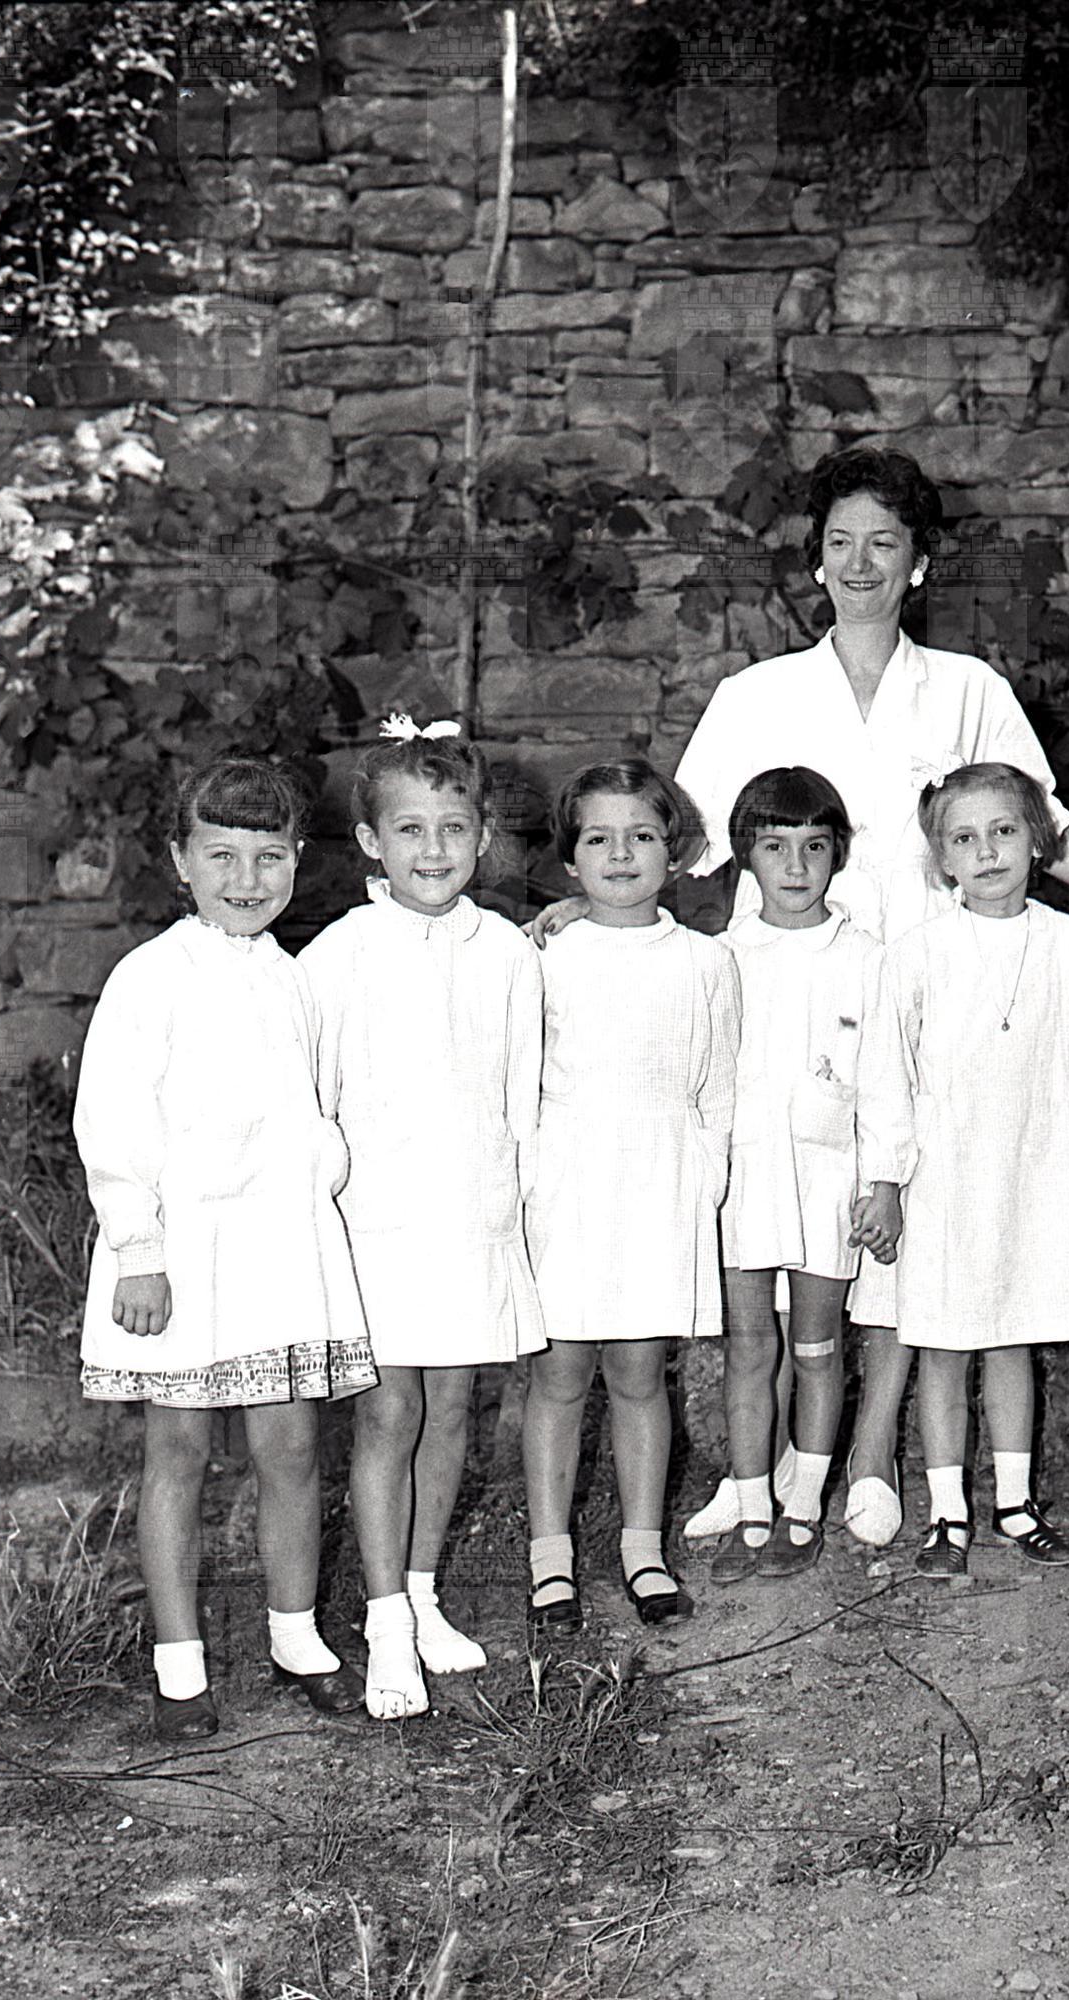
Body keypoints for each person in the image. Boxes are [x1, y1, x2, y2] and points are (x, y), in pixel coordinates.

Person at [664, 445, 1069, 1548]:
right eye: (840, 543)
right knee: (794, 1226)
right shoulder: (754, 696)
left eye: (885, 543)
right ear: (815, 561)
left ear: (919, 562)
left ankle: (869, 1458)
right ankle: (766, 1468)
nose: (861, 563)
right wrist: (580, 910)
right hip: (796, 993)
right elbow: (679, 843)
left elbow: (1046, 831)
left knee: (912, 1227)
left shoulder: (967, 690)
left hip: (934, 1001)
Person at [74, 756, 373, 1741]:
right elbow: (112, 1119)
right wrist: (139, 1247)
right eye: (222, 856)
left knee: (291, 1445)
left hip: (280, 1247)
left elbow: (313, 1105)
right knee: (180, 1448)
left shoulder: (291, 976)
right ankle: (178, 1662)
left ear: (297, 859)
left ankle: (296, 1635)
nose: (247, 879)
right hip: (185, 1249)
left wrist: (321, 1166)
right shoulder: (149, 977)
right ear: (180, 860)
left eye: (269, 856)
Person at [300, 716, 545, 1719]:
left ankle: (425, 1590)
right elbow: (314, 1100)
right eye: (410, 829)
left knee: (451, 1408)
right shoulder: (338, 955)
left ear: (482, 835)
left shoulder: (508, 952)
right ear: (371, 841)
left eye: (452, 827)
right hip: (380, 1220)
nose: (433, 849)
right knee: (388, 1411)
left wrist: (518, 1203)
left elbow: (523, 1093)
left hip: (471, 1209)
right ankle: (384, 1619)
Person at [857, 763, 1069, 1580]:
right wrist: (886, 1184)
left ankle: (1015, 1502)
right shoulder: (916, 954)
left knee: (1012, 1338)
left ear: (1036, 838)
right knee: (942, 1345)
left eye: (1003, 831)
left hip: (1033, 1171)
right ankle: (947, 1512)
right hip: (945, 1176)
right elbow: (885, 1077)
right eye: (964, 839)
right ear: (942, 860)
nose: (987, 851)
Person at [521, 760, 741, 1630]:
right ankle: (550, 1559)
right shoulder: (543, 957)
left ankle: (642, 1549)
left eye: (642, 836)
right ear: (568, 859)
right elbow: (519, 1076)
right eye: (598, 839)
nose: (620, 855)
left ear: (674, 852)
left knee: (641, 1372)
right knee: (559, 1372)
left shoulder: (704, 962)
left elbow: (717, 1085)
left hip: (658, 1183)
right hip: (569, 1181)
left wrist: (702, 1175)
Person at [694, 766, 889, 1586]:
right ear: (745, 856)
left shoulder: (867, 959)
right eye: (774, 848)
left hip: (827, 1179)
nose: (796, 866)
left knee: (815, 1345)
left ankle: (803, 1502)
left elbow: (886, 1081)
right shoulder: (719, 956)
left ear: (838, 853)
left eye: (813, 847)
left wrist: (883, 1182)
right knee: (748, 1344)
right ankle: (750, 1505)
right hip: (744, 1180)